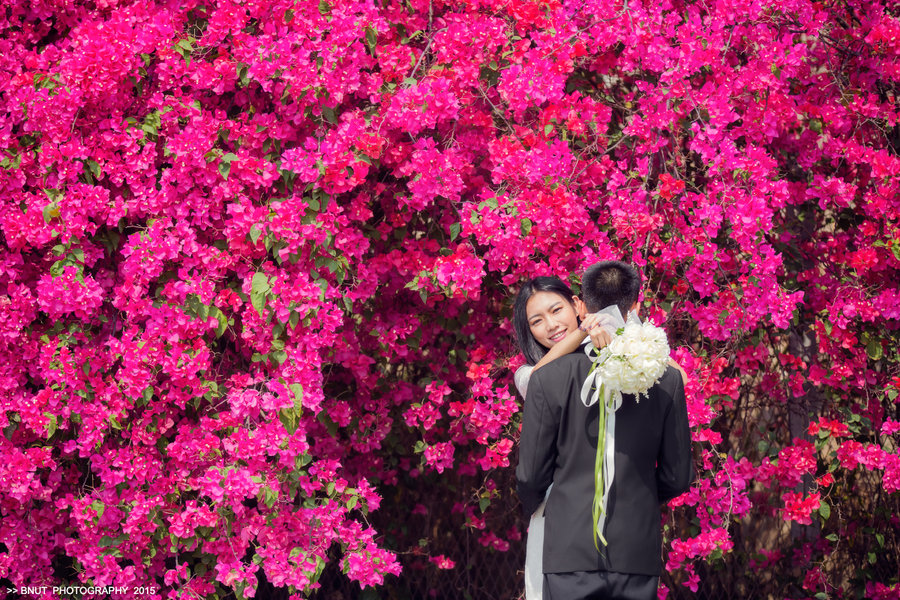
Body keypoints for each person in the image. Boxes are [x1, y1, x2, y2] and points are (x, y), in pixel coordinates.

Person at [516, 261, 693, 600]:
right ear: (637, 305)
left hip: (568, 549)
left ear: (580, 305)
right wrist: (636, 498)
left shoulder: (548, 377)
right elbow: (678, 476)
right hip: (635, 549)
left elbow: (530, 475)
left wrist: (551, 505)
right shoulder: (666, 379)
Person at [511, 276, 617, 600]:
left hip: (616, 510)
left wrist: (618, 333)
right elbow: (540, 379)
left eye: (556, 310)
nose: (551, 325)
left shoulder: (611, 354)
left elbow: (672, 377)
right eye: (537, 321)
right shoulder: (528, 374)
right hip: (559, 517)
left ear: (576, 303)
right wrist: (584, 329)